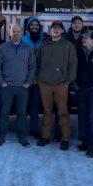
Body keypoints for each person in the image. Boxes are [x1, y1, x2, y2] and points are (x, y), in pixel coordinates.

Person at [36, 20, 77, 150]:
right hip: (45, 84)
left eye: (59, 28)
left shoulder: (68, 45)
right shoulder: (43, 46)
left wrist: (67, 82)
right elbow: (38, 64)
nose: (56, 30)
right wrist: (39, 80)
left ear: (62, 31)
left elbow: (73, 65)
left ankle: (65, 138)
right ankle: (45, 136)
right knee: (47, 111)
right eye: (54, 28)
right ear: (50, 30)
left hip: (61, 84)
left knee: (63, 112)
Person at [0, 24, 35, 147]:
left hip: (22, 87)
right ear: (9, 33)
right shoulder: (3, 47)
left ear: (22, 33)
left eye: (18, 31)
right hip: (7, 87)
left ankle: (22, 137)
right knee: (4, 112)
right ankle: (1, 136)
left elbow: (32, 66)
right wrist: (2, 82)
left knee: (22, 113)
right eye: (13, 32)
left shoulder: (28, 48)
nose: (16, 33)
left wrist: (28, 82)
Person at [21, 17, 47, 139]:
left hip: (38, 80)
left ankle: (34, 129)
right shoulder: (23, 39)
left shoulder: (44, 40)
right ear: (28, 27)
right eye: (32, 25)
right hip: (24, 79)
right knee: (22, 106)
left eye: (37, 25)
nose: (35, 27)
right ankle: (21, 130)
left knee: (35, 106)